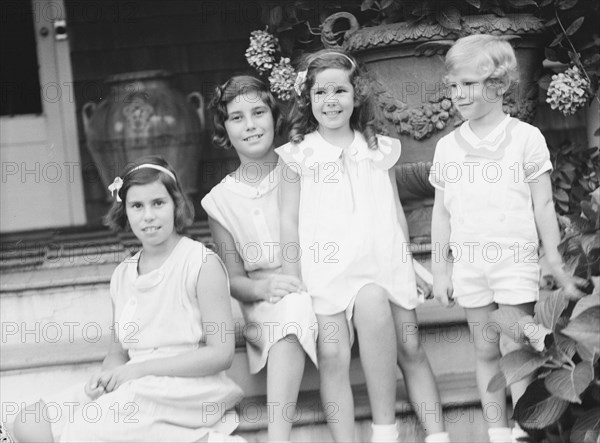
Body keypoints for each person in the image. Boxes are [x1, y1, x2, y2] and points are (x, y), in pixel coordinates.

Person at [276, 49, 449, 443]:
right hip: (327, 269)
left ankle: (432, 435)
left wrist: (409, 263)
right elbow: (287, 219)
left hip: (382, 262)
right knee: (334, 357)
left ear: (357, 96)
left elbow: (392, 211)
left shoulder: (379, 148)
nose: (330, 101)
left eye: (340, 90)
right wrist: (292, 273)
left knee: (410, 347)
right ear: (308, 99)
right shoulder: (297, 155)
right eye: (321, 93)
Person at [13, 156, 245, 442]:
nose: (148, 215)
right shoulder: (123, 274)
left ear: (177, 205)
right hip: (134, 381)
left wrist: (137, 370)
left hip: (185, 387)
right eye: (137, 206)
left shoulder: (200, 263)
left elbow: (220, 354)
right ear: (125, 211)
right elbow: (118, 353)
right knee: (30, 423)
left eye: (158, 203)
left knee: (85, 431)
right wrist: (105, 379)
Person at [429, 34, 588, 443]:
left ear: (499, 85)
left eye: (468, 83)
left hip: (514, 261)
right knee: (484, 350)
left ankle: (525, 430)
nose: (458, 93)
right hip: (470, 264)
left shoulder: (525, 139)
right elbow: (441, 213)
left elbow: (542, 206)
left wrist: (552, 257)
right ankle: (497, 432)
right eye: (453, 85)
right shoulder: (447, 148)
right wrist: (440, 269)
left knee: (515, 346)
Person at [201, 75, 319, 442]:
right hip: (266, 299)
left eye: (258, 112)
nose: (250, 125)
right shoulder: (218, 201)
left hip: (316, 277)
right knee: (294, 308)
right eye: (237, 117)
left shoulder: (299, 167)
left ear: (274, 116)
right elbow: (234, 280)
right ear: (224, 129)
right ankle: (278, 436)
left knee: (305, 302)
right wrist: (265, 287)